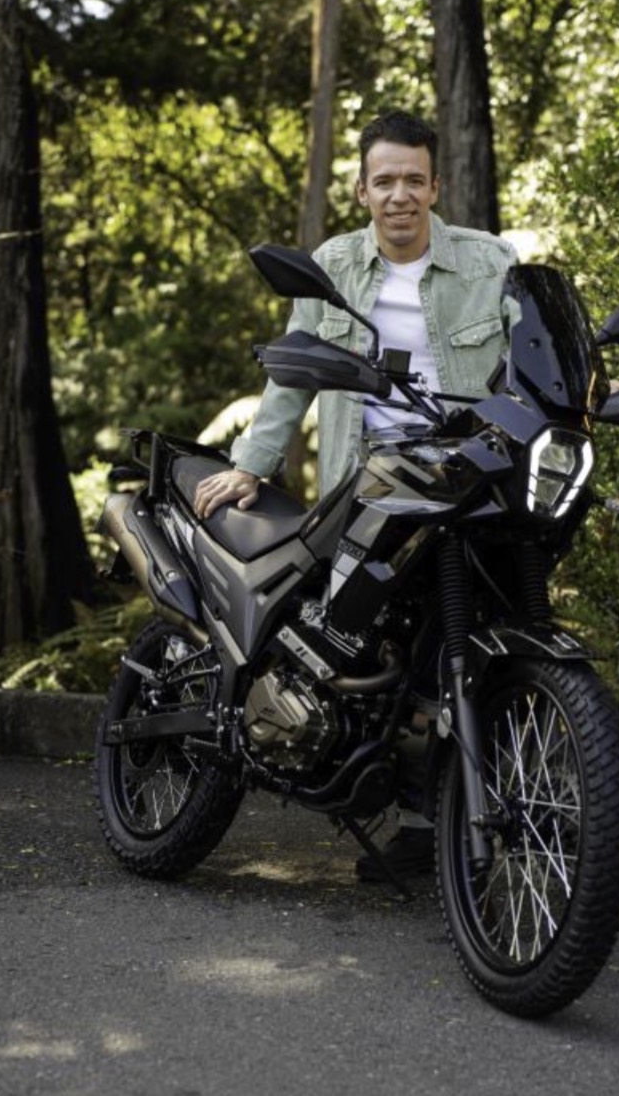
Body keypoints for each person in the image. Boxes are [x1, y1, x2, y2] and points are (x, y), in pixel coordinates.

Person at [193, 109, 517, 881]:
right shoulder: (333, 265)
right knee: (374, 647)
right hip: (365, 480)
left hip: (464, 473)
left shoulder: (491, 261)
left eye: (413, 180)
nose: (399, 195)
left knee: (463, 637)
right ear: (362, 191)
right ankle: (378, 791)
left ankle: (431, 820)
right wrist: (252, 464)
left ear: (435, 187)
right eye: (384, 181)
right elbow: (292, 373)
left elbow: (531, 357)